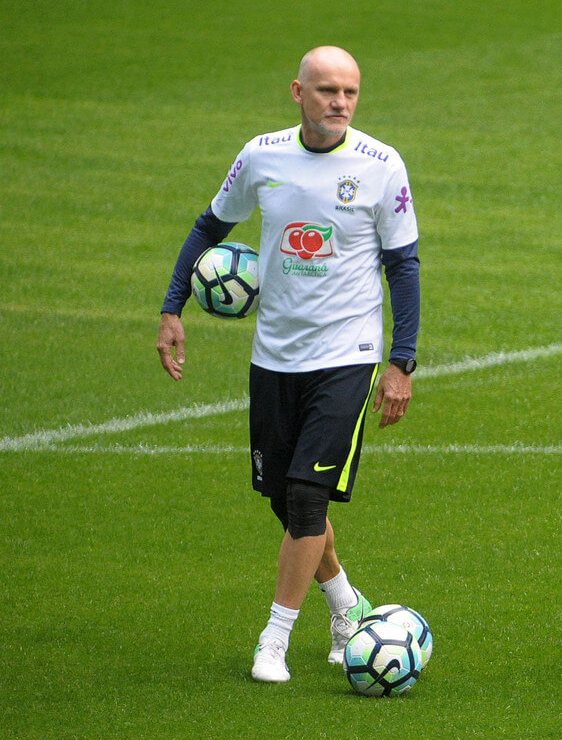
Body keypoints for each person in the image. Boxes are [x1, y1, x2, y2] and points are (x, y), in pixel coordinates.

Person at [156, 46, 421, 684]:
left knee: (307, 496)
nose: (340, 102)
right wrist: (171, 309)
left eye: (350, 92)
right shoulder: (261, 155)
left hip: (347, 355)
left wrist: (401, 361)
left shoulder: (382, 166)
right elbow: (209, 226)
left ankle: (273, 641)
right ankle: (347, 608)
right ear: (297, 92)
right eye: (327, 90)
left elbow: (403, 264)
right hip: (274, 355)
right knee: (284, 500)